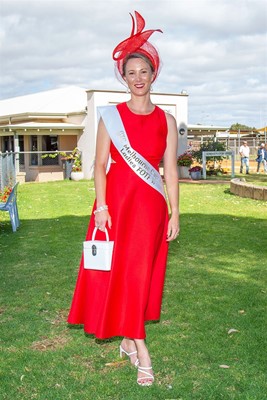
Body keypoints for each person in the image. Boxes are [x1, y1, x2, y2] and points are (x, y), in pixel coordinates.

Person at [67, 11, 179, 387]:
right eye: (131, 72)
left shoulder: (165, 120)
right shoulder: (110, 117)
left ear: (153, 74)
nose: (138, 78)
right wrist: (100, 206)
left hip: (149, 209)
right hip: (115, 205)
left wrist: (175, 212)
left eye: (143, 72)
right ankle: (140, 349)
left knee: (139, 277)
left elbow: (170, 171)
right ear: (124, 77)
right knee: (123, 275)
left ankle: (130, 340)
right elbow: (99, 165)